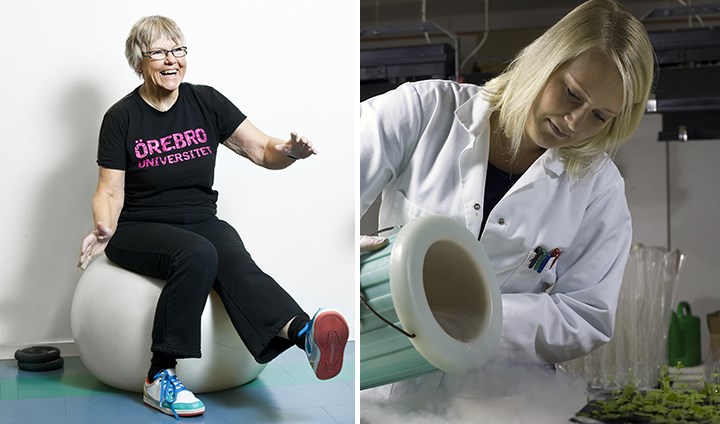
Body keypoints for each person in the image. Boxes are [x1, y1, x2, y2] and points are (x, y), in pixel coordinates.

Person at [78, 15, 349, 419]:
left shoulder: (206, 101)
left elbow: (261, 150)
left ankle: (304, 333)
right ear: (139, 61)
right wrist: (104, 227)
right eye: (159, 53)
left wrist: (289, 151)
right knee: (198, 254)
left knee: (233, 256)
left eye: (178, 50)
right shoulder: (122, 117)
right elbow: (110, 190)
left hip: (200, 217)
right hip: (138, 227)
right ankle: (160, 375)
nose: (171, 61)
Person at [359, 0, 654, 366]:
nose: (575, 122)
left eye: (599, 116)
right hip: (389, 380)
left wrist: (474, 317)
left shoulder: (599, 187)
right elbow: (323, 192)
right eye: (572, 94)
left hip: (501, 396)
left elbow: (586, 315)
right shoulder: (424, 110)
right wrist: (342, 257)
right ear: (545, 61)